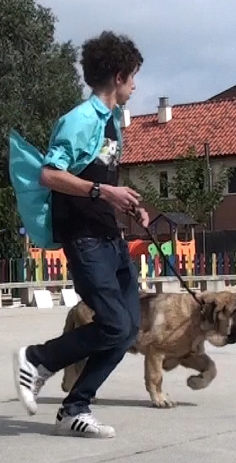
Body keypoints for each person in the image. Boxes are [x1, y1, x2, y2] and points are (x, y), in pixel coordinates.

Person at [13, 30, 148, 438]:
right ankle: (36, 358)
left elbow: (97, 178)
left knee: (127, 330)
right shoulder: (79, 120)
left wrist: (125, 203)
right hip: (84, 239)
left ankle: (75, 408)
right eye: (134, 78)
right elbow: (50, 174)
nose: (136, 87)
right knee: (111, 323)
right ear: (120, 75)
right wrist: (103, 191)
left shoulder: (111, 125)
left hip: (109, 236)